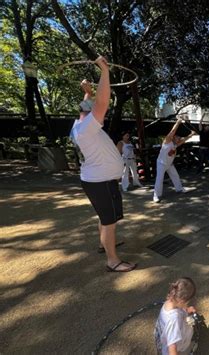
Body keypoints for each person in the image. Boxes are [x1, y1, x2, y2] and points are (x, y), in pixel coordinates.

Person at [70, 56, 136, 272]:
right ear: (91, 116)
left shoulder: (79, 126)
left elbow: (85, 109)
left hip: (98, 180)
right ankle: (113, 261)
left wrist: (87, 93)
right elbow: (102, 103)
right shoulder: (87, 127)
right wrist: (105, 71)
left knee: (105, 218)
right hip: (101, 182)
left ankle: (104, 244)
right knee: (109, 221)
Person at [153, 119, 196, 203]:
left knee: (175, 176)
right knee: (159, 179)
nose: (179, 138)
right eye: (177, 137)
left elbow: (184, 140)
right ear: (173, 136)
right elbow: (173, 131)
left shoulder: (175, 144)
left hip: (169, 164)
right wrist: (178, 122)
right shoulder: (167, 141)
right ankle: (156, 195)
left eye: (179, 137)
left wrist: (191, 134)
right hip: (161, 163)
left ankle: (179, 189)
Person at [154, 277, 197, 355]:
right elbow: (172, 347)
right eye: (187, 302)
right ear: (181, 301)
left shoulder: (171, 301)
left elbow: (179, 308)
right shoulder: (174, 320)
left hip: (164, 337)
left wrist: (187, 310)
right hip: (176, 348)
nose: (187, 304)